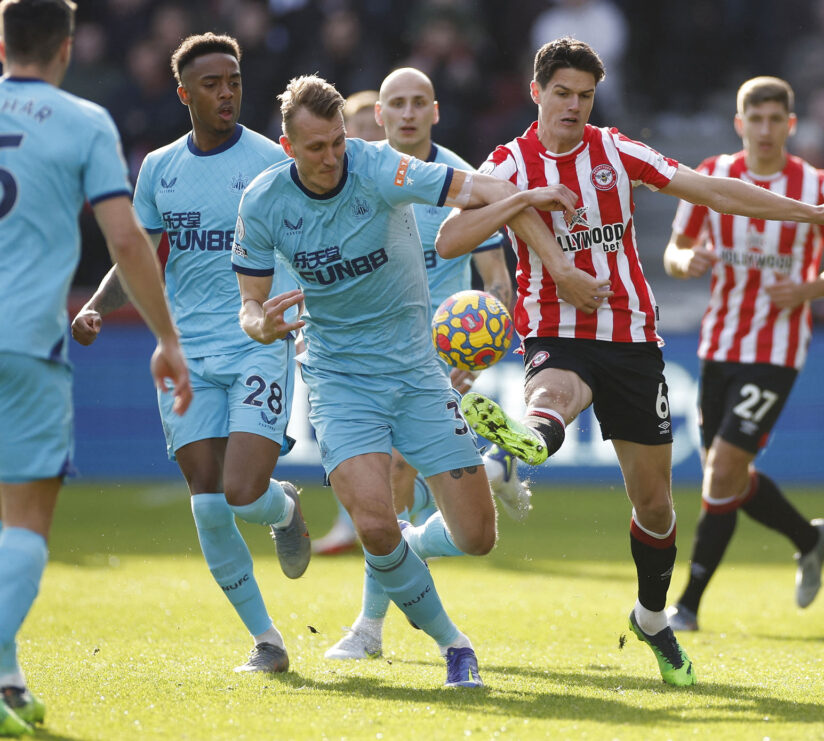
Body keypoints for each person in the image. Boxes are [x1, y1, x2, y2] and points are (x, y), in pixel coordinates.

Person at [436, 38, 824, 687]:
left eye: (584, 95)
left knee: (657, 506)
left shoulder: (615, 150)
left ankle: (650, 615)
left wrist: (809, 213)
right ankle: (520, 445)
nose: (574, 107)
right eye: (562, 94)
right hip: (558, 327)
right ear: (537, 93)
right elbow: (451, 236)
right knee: (555, 391)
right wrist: (521, 206)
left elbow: (712, 190)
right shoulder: (506, 163)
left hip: (634, 339)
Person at [230, 73, 589, 688]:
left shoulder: (378, 167)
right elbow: (251, 303)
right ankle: (452, 644)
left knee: (477, 538)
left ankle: (412, 555)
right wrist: (261, 326)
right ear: (288, 147)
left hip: (420, 374)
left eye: (337, 142)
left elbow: (470, 187)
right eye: (315, 148)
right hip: (339, 377)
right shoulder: (263, 202)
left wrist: (527, 193)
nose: (330, 157)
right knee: (374, 519)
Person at [70, 33, 310, 675]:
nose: (227, 91)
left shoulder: (270, 163)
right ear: (184, 94)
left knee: (241, 490)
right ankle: (267, 640)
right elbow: (138, 257)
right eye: (211, 83)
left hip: (257, 339)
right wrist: (96, 306)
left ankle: (284, 506)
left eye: (233, 79)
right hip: (185, 351)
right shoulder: (158, 169)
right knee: (206, 498)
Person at [0, 0, 191, 735]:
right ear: (68, 47)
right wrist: (167, 337)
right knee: (25, 524)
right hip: (25, 342)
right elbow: (127, 240)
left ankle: (8, 677)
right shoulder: (84, 122)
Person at [321, 67, 522, 661]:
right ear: (378, 115)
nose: (407, 114)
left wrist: (477, 358)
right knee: (391, 497)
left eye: (418, 103)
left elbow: (496, 283)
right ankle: (489, 474)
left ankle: (369, 627)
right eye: (395, 104)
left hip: (432, 361)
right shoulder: (357, 174)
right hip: (365, 356)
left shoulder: (462, 183)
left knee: (393, 487)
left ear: (435, 110)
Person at [660, 76, 824, 632]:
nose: (766, 129)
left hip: (777, 349)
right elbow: (675, 252)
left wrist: (804, 290)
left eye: (777, 120)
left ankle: (688, 607)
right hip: (719, 343)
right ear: (740, 124)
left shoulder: (813, 184)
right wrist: (689, 262)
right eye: (757, 119)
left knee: (723, 469)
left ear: (791, 126)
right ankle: (809, 538)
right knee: (725, 474)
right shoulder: (712, 178)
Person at [310, 88, 384, 557]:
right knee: (352, 442)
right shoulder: (318, 194)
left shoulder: (403, 180)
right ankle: (353, 524)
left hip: (420, 333)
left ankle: (400, 528)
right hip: (343, 337)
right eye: (355, 129)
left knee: (400, 454)